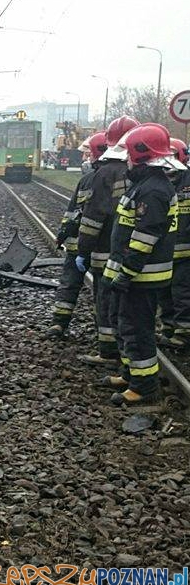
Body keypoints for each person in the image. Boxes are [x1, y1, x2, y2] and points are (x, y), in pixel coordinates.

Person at [100, 123, 182, 405]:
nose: (128, 163)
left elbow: (144, 239)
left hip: (142, 276)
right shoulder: (145, 185)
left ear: (142, 154)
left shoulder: (153, 191)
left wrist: (127, 272)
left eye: (130, 157)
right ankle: (131, 374)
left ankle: (144, 387)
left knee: (138, 329)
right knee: (126, 326)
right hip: (135, 274)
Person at [76, 116, 138, 367]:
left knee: (105, 301)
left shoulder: (105, 174)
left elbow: (93, 218)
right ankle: (125, 352)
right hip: (135, 254)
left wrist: (83, 249)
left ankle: (108, 351)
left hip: (105, 253)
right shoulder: (144, 173)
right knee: (129, 307)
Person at [47, 132, 105, 338]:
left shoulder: (90, 180)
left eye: (87, 153)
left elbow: (74, 213)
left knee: (70, 284)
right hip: (95, 247)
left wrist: (63, 234)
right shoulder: (108, 178)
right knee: (99, 290)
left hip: (83, 245)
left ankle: (59, 324)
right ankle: (102, 330)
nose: (83, 158)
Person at [159, 138, 190, 346]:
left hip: (186, 253)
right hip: (165, 252)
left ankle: (184, 333)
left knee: (182, 292)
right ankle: (168, 328)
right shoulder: (159, 182)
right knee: (165, 292)